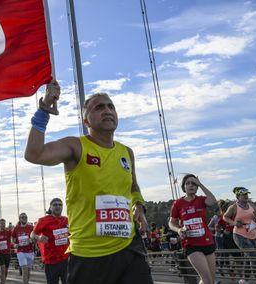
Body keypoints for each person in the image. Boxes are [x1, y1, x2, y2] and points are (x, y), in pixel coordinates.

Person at [24, 85, 152, 283]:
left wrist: (139, 206)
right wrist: (44, 110)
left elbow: (133, 186)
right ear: (86, 120)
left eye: (111, 106)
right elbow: (34, 154)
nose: (108, 110)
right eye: (99, 107)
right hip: (89, 256)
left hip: (129, 248)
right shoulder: (76, 146)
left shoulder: (127, 152)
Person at [169, 174, 217, 284]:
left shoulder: (201, 200)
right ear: (184, 187)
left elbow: (213, 201)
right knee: (207, 280)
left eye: (194, 184)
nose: (191, 185)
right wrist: (178, 230)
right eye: (188, 183)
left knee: (211, 281)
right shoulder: (178, 203)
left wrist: (201, 184)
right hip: (191, 244)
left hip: (207, 242)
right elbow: (171, 223)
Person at [31, 198, 69, 284]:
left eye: (60, 205)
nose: (58, 206)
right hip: (51, 261)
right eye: (55, 205)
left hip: (65, 259)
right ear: (50, 207)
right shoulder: (43, 220)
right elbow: (32, 234)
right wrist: (39, 237)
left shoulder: (66, 220)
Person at [11, 213, 34, 284]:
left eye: (25, 217)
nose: (24, 218)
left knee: (28, 271)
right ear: (19, 219)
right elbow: (13, 238)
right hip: (20, 251)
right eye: (22, 217)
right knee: (24, 269)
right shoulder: (16, 228)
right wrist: (14, 244)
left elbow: (35, 237)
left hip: (30, 251)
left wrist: (32, 240)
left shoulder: (31, 227)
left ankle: (26, 282)